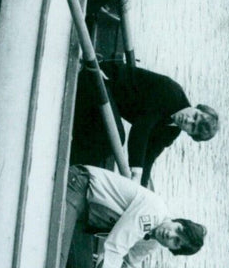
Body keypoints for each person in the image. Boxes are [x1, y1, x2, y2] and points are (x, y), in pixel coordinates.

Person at [59, 163, 206, 268]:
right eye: (178, 229)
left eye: (176, 241)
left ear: (173, 250)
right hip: (79, 185)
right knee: (58, 259)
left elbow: (130, 267)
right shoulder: (154, 212)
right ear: (178, 221)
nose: (169, 234)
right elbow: (116, 247)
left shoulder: (152, 242)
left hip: (85, 218)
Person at [72, 61, 219, 187]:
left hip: (105, 102)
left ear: (189, 134)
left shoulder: (171, 132)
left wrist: (142, 186)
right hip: (99, 80)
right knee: (116, 138)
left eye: (192, 127)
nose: (188, 120)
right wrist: (136, 171)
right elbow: (141, 129)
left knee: (109, 141)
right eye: (195, 116)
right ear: (197, 107)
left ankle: (74, 166)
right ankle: (73, 161)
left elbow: (149, 155)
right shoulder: (171, 94)